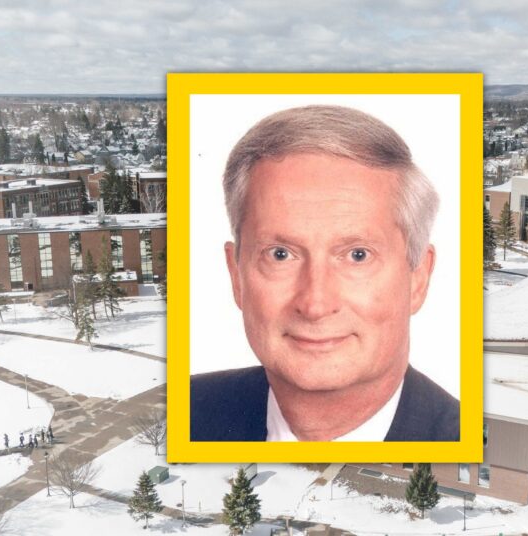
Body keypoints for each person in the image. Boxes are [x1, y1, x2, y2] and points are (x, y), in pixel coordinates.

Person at [190, 105, 459, 442]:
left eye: (357, 256)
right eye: (281, 254)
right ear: (236, 276)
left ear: (418, 278)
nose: (315, 304)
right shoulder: (183, 412)